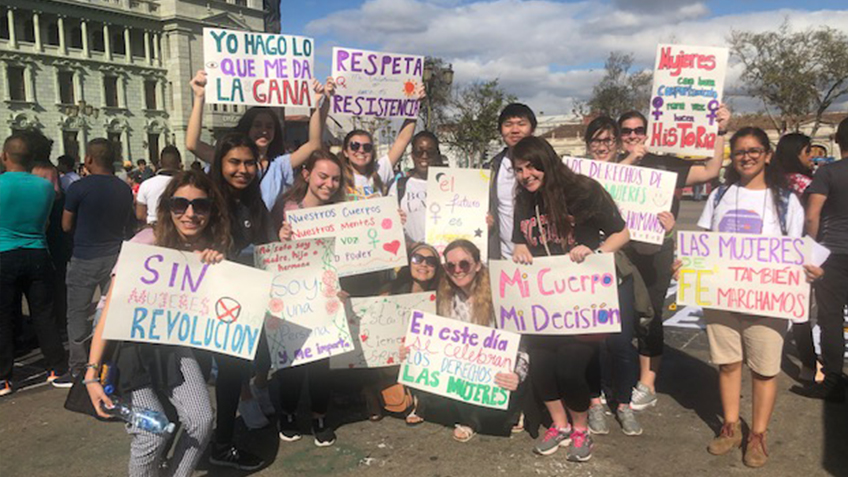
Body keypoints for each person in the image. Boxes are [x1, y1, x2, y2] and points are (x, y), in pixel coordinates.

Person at [85, 170, 227, 476]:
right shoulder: (146, 241)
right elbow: (110, 308)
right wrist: (91, 374)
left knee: (201, 420)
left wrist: (217, 267)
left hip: (175, 347)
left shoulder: (208, 250)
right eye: (181, 204)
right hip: (130, 349)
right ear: (167, 207)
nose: (190, 213)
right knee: (152, 432)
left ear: (210, 210)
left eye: (200, 205)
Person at [694, 126, 821, 468]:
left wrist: (811, 265)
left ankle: (759, 435)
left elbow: (799, 246)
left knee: (765, 369)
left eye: (753, 151)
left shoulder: (785, 200)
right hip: (722, 297)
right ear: (731, 158)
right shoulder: (719, 196)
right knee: (728, 363)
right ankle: (731, 426)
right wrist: (686, 264)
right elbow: (703, 243)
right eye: (739, 152)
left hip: (768, 297)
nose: (746, 157)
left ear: (767, 155)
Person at [511, 136, 631, 462]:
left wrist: (596, 252)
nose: (526, 175)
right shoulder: (524, 198)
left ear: (546, 160)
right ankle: (560, 426)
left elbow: (622, 233)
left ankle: (581, 430)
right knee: (542, 368)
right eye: (519, 169)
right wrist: (519, 247)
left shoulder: (583, 190)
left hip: (582, 303)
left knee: (569, 368)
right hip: (542, 304)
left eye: (531, 166)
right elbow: (518, 240)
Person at [616, 108, 730, 410]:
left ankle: (647, 382)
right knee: (619, 316)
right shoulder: (615, 165)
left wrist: (718, 132)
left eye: (638, 130)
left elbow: (709, 170)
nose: (633, 136)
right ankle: (618, 372)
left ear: (648, 132)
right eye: (626, 131)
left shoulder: (667, 163)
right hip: (621, 251)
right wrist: (631, 159)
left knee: (650, 315)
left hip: (657, 250)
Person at [581, 116, 663, 436]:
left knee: (622, 340)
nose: (602, 146)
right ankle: (595, 402)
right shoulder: (578, 175)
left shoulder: (638, 179)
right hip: (586, 270)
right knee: (593, 341)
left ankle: (624, 403)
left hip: (621, 269)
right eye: (596, 141)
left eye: (608, 141)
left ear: (617, 143)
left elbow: (645, 229)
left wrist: (665, 229)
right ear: (587, 145)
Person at [400, 240, 526, 442]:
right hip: (466, 370)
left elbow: (522, 346)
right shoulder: (443, 295)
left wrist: (517, 375)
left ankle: (514, 405)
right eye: (450, 266)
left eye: (464, 264)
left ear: (477, 265)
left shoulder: (500, 293)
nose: (457, 270)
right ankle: (470, 418)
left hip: (496, 372)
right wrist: (412, 351)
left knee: (505, 402)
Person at [206, 132, 276, 470]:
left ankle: (221, 440)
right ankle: (218, 441)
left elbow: (267, 245)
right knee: (221, 374)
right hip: (214, 301)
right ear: (220, 164)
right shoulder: (207, 200)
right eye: (235, 162)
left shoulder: (255, 202)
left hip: (250, 299)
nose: (243, 169)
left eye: (249, 163)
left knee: (241, 369)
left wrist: (282, 238)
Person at [274, 149, 347, 446]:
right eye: (323, 176)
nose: (329, 184)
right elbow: (267, 250)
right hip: (292, 296)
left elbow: (358, 254)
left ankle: (319, 415)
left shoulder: (344, 213)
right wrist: (279, 236)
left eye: (335, 179)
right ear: (306, 175)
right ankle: (288, 412)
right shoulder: (285, 209)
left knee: (321, 363)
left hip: (327, 295)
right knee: (291, 360)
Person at [186, 70, 331, 211]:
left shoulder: (279, 166)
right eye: (257, 125)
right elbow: (192, 145)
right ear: (247, 128)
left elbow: (314, 144)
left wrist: (315, 104)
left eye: (269, 127)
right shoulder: (227, 158)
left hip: (266, 233)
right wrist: (199, 97)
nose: (264, 131)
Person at [60, 138, 135, 384]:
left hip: (84, 256)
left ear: (89, 159)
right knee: (111, 314)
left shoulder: (78, 188)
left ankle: (78, 366)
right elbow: (130, 225)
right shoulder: (123, 188)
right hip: (115, 257)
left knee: (78, 313)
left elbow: (66, 225)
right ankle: (107, 362)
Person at [0, 135, 69, 396]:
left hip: (4, 252)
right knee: (44, 314)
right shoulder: (44, 188)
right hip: (38, 253)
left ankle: (3, 378)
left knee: (3, 316)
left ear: (5, 156)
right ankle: (57, 368)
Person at [797, 117, 848, 403]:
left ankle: (832, 379)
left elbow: (812, 214)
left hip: (834, 254)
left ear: (838, 141)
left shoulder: (828, 173)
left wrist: (812, 248)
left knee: (831, 318)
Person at [487, 103, 536, 260]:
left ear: (532, 129)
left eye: (521, 124)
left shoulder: (546, 164)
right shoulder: (492, 167)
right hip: (505, 258)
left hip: (542, 258)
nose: (515, 130)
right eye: (508, 125)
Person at [388, 132, 443, 244]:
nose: (424, 156)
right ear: (412, 155)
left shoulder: (450, 184)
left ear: (437, 155)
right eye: (419, 151)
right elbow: (387, 223)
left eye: (430, 152)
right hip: (414, 256)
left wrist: (485, 221)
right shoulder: (399, 187)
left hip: (444, 256)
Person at [136, 146, 184, 225]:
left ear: (160, 163)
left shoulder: (146, 184)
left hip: (153, 228)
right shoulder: (186, 185)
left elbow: (140, 215)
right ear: (180, 164)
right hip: (178, 228)